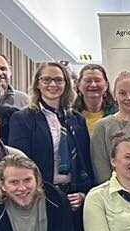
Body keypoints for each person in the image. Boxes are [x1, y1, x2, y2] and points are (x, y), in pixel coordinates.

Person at [8, 62, 94, 211]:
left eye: (59, 80)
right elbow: (19, 163)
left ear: (66, 84)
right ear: (37, 84)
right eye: (46, 80)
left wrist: (83, 194)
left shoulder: (77, 119)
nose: (53, 84)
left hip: (73, 197)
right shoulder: (23, 119)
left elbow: (85, 161)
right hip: (39, 197)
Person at [72, 64, 117, 135]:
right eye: (88, 81)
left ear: (106, 85)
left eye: (97, 80)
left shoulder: (117, 114)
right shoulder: (69, 115)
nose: (93, 84)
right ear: (78, 85)